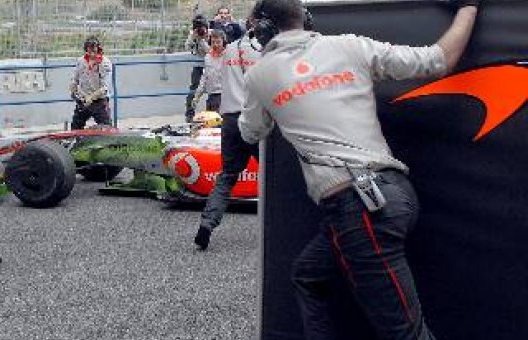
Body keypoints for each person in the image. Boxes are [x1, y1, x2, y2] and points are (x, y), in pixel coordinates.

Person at [238, 0, 479, 339]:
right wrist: (468, 8)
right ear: (305, 18)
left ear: (262, 29)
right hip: (391, 196)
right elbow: (438, 60)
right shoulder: (350, 46)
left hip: (360, 212)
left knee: (406, 334)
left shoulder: (260, 75)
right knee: (310, 276)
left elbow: (251, 132)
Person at [194, 23, 262, 250]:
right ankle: (284, 226)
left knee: (227, 176)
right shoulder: (261, 50)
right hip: (254, 117)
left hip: (230, 119)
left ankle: (207, 224)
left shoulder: (226, 53)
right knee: (274, 176)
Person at [70, 36, 113, 129]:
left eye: (94, 47)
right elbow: (75, 79)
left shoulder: (105, 63)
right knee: (76, 127)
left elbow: (104, 87)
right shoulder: (81, 61)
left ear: (98, 48)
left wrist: (91, 97)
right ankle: (76, 141)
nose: (91, 50)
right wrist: (73, 89)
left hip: (99, 102)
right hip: (83, 100)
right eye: (89, 47)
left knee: (106, 128)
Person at [192, 29, 228, 113]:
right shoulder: (208, 57)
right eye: (213, 42)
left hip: (225, 95)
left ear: (224, 42)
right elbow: (204, 78)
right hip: (211, 96)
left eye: (218, 42)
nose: (215, 45)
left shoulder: (229, 56)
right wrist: (197, 96)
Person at [184, 14, 211, 123]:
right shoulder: (193, 35)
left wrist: (202, 40)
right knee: (193, 90)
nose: (201, 30)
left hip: (211, 65)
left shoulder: (212, 34)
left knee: (214, 90)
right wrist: (193, 38)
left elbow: (210, 51)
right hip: (198, 66)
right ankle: (189, 113)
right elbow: (187, 47)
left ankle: (213, 112)